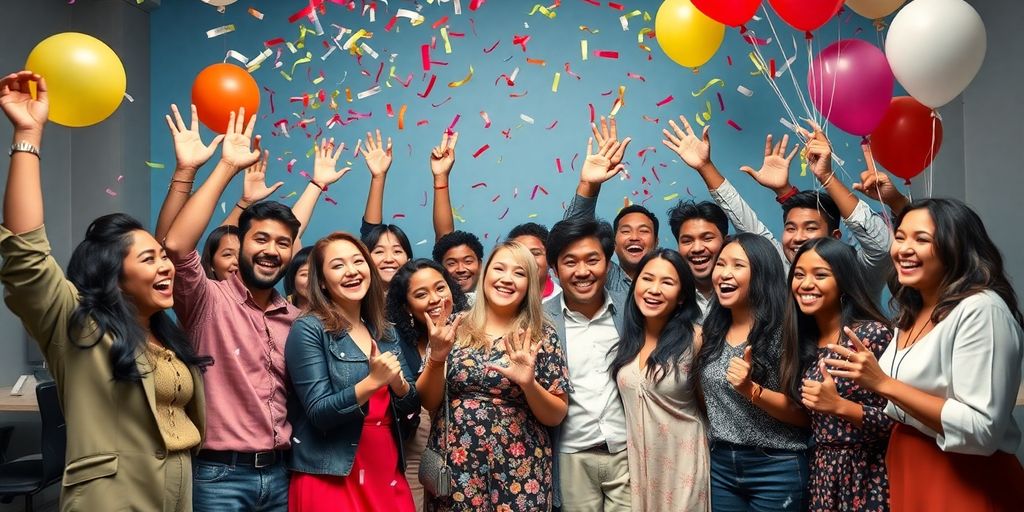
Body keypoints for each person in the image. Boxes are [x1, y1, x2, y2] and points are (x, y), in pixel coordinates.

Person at [0, 70, 212, 510]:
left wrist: (188, 172)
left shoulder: (166, 335)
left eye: (164, 256)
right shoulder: (80, 327)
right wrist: (27, 136)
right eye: (149, 258)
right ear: (114, 276)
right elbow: (25, 256)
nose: (165, 266)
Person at [163, 123, 349, 510]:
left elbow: (287, 239)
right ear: (239, 243)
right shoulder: (207, 300)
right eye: (260, 239)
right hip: (218, 477)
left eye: (282, 244)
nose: (271, 250)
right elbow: (177, 245)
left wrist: (316, 187)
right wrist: (227, 166)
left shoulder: (296, 319)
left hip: (280, 475)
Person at [824, 198, 1024, 511]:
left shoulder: (982, 309)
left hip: (964, 475)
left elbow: (982, 429)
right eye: (900, 237)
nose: (903, 249)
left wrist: (882, 383)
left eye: (921, 239)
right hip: (909, 463)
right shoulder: (912, 310)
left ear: (955, 247)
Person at [662, 116, 897, 300]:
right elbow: (748, 224)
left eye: (810, 228)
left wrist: (825, 175)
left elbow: (881, 244)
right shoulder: (784, 270)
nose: (797, 237)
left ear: (835, 237)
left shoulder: (856, 274)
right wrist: (705, 167)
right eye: (791, 228)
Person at [417, 241, 570, 511]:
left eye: (519, 273)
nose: (507, 279)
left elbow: (556, 415)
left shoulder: (541, 334)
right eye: (499, 268)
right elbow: (428, 402)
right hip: (457, 465)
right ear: (485, 273)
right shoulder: (453, 326)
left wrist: (528, 384)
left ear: (529, 284)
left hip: (520, 467)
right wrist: (437, 358)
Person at [285, 232, 420, 511]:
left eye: (358, 261)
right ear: (322, 281)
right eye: (338, 265)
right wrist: (373, 382)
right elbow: (319, 412)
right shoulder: (308, 329)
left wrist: (399, 385)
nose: (351, 271)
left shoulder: (384, 331)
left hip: (385, 464)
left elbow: (412, 405)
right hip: (332, 470)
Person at [693, 233, 809, 511]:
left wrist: (751, 390)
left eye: (737, 265)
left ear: (761, 274)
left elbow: (805, 416)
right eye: (721, 264)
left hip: (777, 465)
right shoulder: (711, 332)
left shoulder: (785, 331)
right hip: (722, 465)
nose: (724, 274)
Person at [788, 238, 894, 511]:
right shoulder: (803, 342)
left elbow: (899, 422)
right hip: (822, 473)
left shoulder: (870, 336)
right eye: (799, 274)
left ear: (844, 282)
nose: (806, 284)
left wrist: (839, 405)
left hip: (867, 473)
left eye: (820, 275)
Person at [610, 249, 709, 511]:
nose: (654, 289)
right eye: (647, 279)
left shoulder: (696, 339)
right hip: (641, 472)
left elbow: (710, 406)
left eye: (667, 282)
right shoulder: (627, 342)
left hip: (685, 468)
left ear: (682, 296)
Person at [543, 218, 631, 511]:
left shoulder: (632, 310)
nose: (582, 271)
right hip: (571, 456)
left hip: (628, 452)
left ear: (607, 263)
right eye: (570, 262)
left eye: (592, 260)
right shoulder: (541, 321)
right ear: (555, 269)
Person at [384, 258, 471, 511]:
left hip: (468, 448)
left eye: (440, 288)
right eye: (421, 294)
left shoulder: (474, 330)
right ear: (407, 307)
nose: (435, 299)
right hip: (417, 450)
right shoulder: (396, 343)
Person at [565, 118, 659, 294]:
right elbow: (572, 239)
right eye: (625, 231)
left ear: (656, 242)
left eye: (644, 231)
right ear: (614, 243)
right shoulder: (603, 276)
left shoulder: (674, 278)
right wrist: (588, 184)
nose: (634, 237)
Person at [357, 129, 414, 286]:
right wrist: (378, 177)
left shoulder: (420, 298)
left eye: (397, 251)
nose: (389, 259)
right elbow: (369, 231)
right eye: (379, 251)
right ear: (365, 258)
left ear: (409, 260)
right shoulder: (355, 297)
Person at [666, 200, 730, 321]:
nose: (697, 248)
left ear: (726, 242)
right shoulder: (668, 297)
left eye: (707, 238)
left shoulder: (746, 290)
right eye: (687, 241)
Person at [508, 222, 561, 303]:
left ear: (549, 258)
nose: (527, 260)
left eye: (535, 253)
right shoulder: (498, 297)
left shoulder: (563, 299)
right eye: (519, 253)